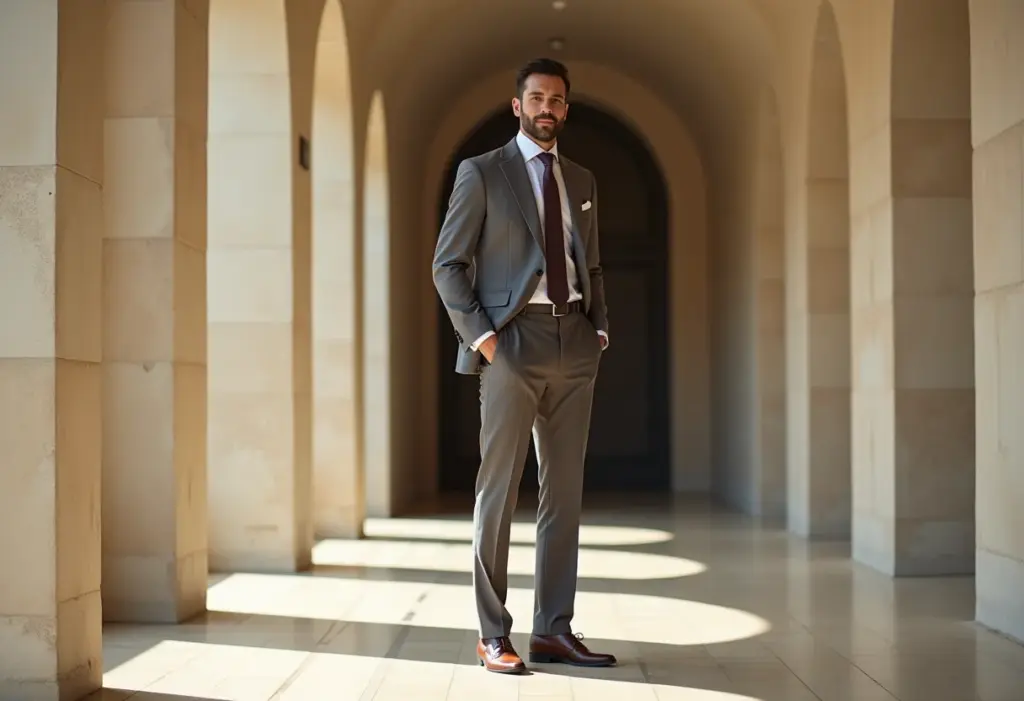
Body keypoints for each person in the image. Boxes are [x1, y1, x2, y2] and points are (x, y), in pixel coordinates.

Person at [432, 58, 616, 674]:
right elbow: (447, 265)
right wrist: (485, 340)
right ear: (517, 106)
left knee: (563, 495)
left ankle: (553, 630)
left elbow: (589, 265)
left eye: (556, 100)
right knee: (499, 490)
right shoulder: (481, 173)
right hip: (511, 342)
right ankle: (493, 634)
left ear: (567, 109)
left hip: (575, 344)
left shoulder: (584, 180)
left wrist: (599, 328)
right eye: (535, 98)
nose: (546, 108)